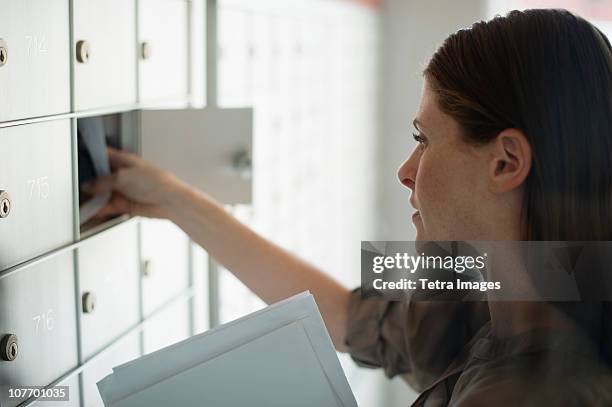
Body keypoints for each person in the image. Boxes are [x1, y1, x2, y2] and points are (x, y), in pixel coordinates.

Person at [88, 8, 612, 406]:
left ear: (505, 163)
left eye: (424, 139)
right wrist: (177, 201)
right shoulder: (519, 275)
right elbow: (344, 316)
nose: (406, 171)